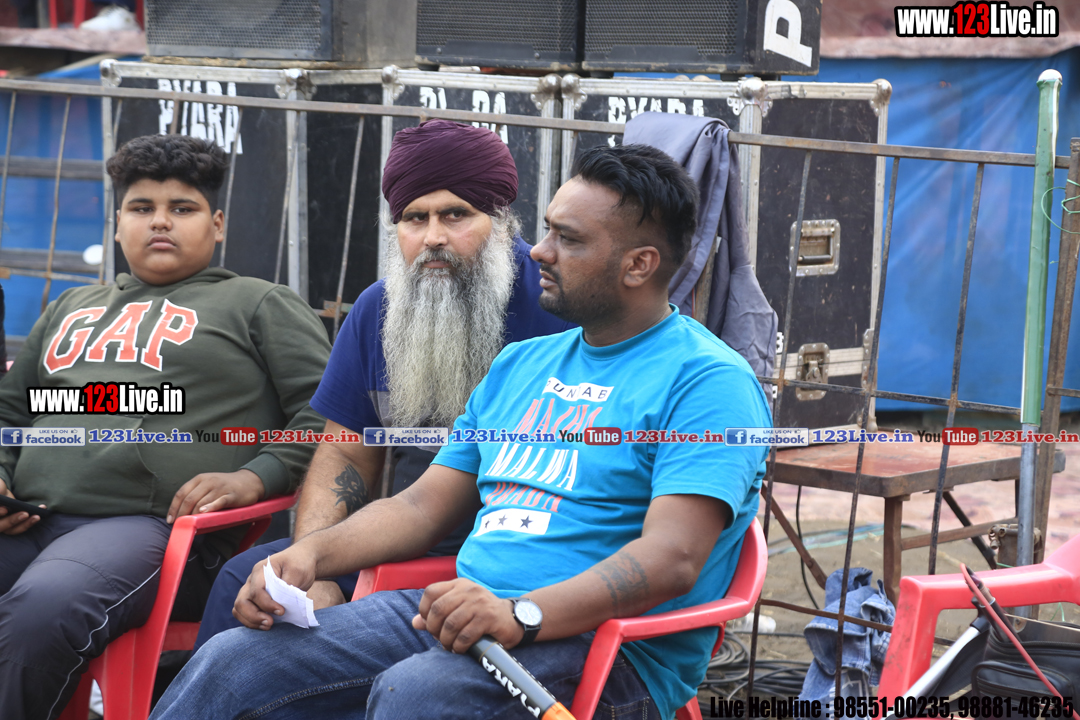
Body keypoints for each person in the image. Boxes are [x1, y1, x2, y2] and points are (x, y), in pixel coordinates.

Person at [151, 143, 773, 720]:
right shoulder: (522, 364)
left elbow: (673, 559)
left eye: (568, 239)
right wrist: (310, 554)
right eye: (548, 229)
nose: (540, 251)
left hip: (607, 648)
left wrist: (522, 613)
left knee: (419, 693)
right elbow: (421, 506)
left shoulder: (708, 382)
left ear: (639, 265)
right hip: (460, 611)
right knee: (235, 660)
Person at [192, 119, 572, 649]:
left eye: (456, 215)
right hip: (396, 535)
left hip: (519, 560)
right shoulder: (378, 310)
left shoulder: (560, 306)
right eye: (415, 218)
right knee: (248, 579)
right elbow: (345, 453)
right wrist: (314, 565)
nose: (433, 237)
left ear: (502, 220)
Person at [0, 134, 331, 720]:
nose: (160, 221)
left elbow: (328, 412)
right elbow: (10, 413)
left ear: (217, 224)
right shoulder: (70, 306)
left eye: (182, 208)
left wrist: (257, 476)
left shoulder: (257, 303)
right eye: (141, 207)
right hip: (27, 517)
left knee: (46, 606)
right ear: (117, 224)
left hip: (152, 532)